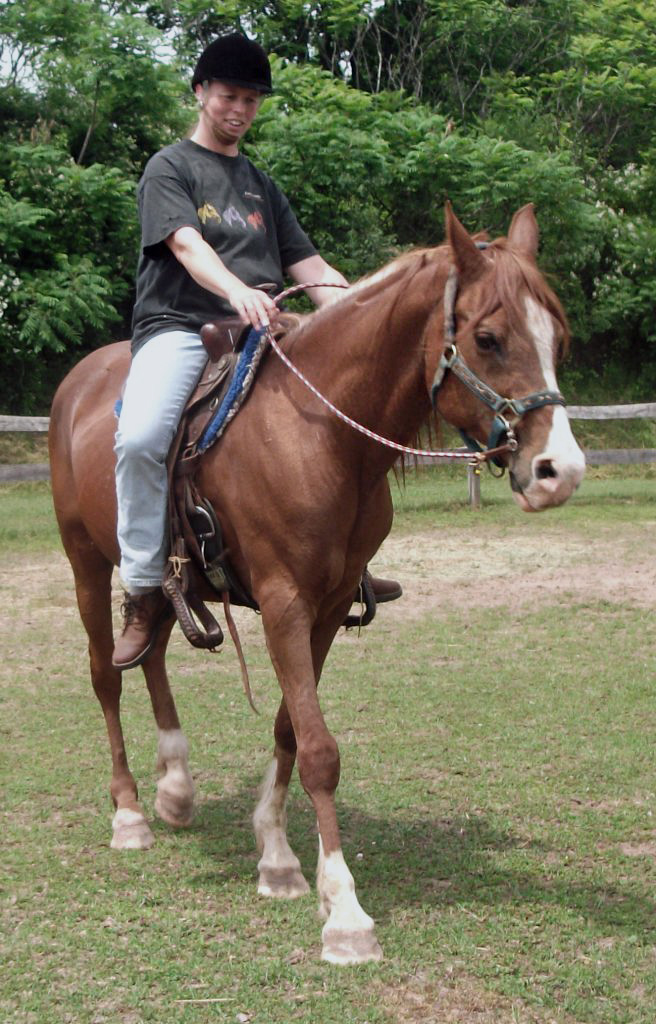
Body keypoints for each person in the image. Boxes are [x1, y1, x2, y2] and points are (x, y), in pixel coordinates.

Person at [113, 33, 399, 671]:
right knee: (140, 437)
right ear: (200, 92)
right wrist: (237, 290)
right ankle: (143, 588)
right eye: (228, 96)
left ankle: (346, 563)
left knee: (339, 414)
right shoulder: (170, 167)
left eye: (251, 99)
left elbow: (312, 267)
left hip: (267, 325)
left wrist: (361, 312)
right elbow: (186, 245)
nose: (239, 109)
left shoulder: (259, 185)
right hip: (182, 326)